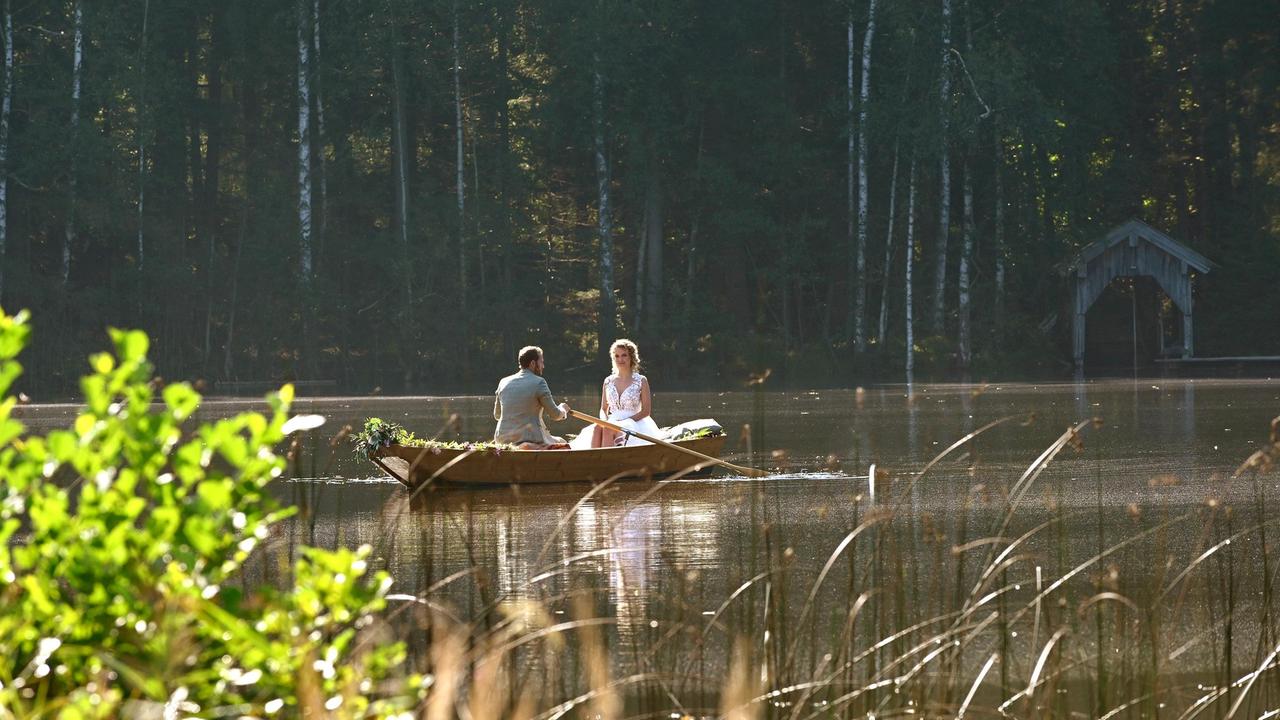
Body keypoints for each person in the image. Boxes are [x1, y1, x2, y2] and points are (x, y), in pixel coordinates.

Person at [569, 339, 661, 449]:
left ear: (631, 357)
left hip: (633, 422)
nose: (620, 359)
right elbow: (603, 409)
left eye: (624, 355)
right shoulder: (608, 381)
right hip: (612, 420)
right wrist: (604, 421)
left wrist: (626, 421)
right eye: (617, 356)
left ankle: (607, 460)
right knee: (598, 428)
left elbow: (646, 411)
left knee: (609, 429)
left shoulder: (641, 380)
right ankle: (594, 460)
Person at [494, 346, 571, 449]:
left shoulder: (503, 382)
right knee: (562, 442)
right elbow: (555, 415)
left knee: (555, 440)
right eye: (541, 362)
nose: (543, 366)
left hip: (502, 440)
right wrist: (563, 409)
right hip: (530, 440)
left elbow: (497, 415)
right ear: (533, 363)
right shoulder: (539, 382)